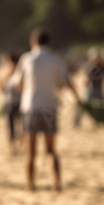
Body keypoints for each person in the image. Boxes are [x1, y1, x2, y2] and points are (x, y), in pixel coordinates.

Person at [11, 27, 78, 192]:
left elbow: (17, 83)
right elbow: (68, 82)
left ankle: (30, 184)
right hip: (49, 107)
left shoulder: (26, 59)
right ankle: (56, 183)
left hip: (30, 107)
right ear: (49, 42)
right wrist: (78, 99)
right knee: (50, 150)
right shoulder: (55, 59)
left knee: (31, 152)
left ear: (33, 42)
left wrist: (27, 91)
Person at [73, 47, 104, 127]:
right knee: (83, 105)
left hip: (99, 88)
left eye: (97, 57)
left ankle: (101, 121)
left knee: (102, 106)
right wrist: (84, 81)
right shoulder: (88, 65)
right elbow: (84, 76)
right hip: (90, 88)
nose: (96, 59)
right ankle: (77, 122)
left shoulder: (103, 66)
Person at [0, 50, 23, 154]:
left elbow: (1, 87)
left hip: (10, 102)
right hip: (21, 102)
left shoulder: (5, 72)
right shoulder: (22, 71)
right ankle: (19, 143)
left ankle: (12, 146)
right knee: (21, 125)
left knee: (11, 126)